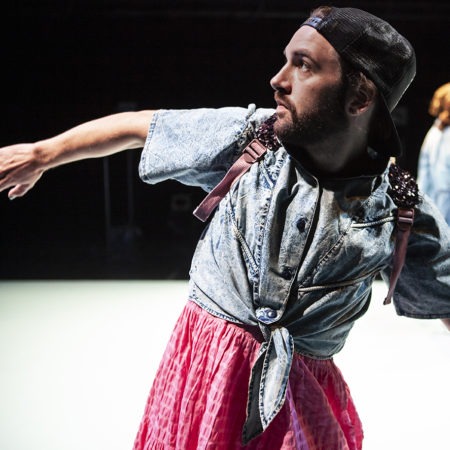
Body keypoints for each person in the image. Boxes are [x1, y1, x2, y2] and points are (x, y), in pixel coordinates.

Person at [1, 5, 449, 450]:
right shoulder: (251, 141)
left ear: (359, 98)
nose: (278, 79)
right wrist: (41, 154)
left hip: (301, 407)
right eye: (286, 60)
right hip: (205, 382)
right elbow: (144, 127)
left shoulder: (398, 207)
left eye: (304, 65)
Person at [417, 82, 450, 225]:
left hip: (433, 202)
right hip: (441, 205)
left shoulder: (436, 131)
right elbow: (442, 181)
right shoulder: (441, 133)